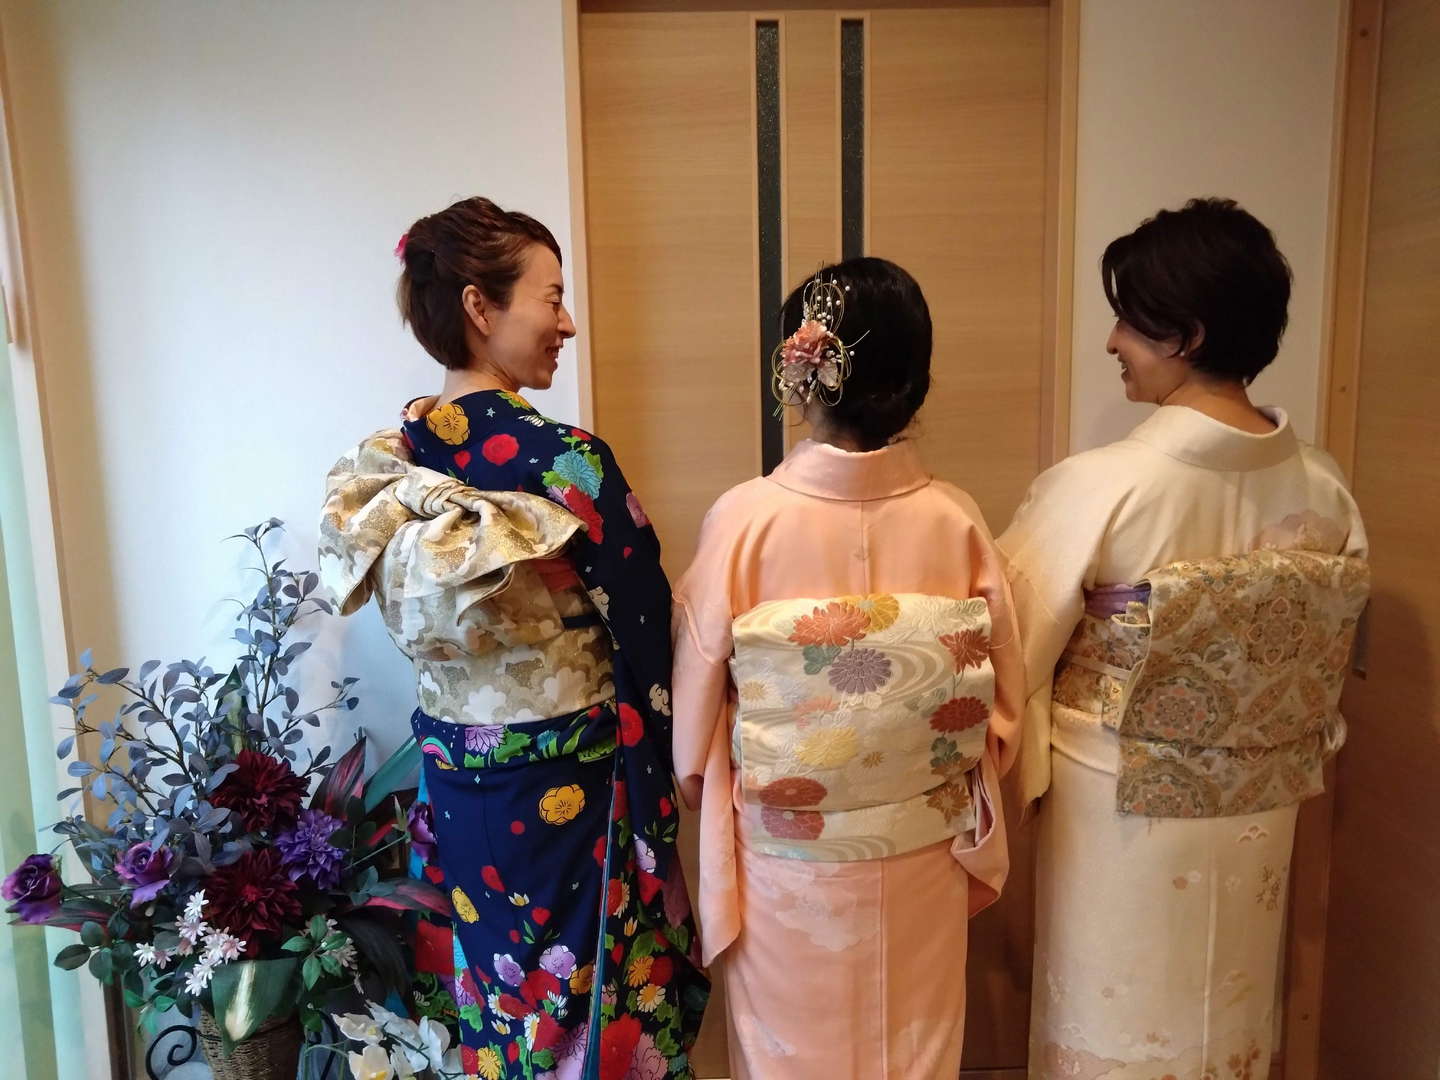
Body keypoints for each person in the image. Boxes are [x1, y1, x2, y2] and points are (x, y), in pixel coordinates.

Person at [319, 197, 708, 1079]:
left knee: (498, 996)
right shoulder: (568, 462)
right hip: (574, 780)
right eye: (553, 298)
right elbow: (644, 630)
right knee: (594, 996)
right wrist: (674, 761)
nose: (566, 324)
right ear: (479, 307)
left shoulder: (392, 463)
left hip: (460, 781)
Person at [1000, 198, 1369, 1078]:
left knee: (1119, 1012)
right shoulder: (1324, 488)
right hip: (1260, 802)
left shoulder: (1103, 486)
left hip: (1119, 799)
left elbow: (1009, 649)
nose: (1113, 341)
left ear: (1187, 335)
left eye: (1130, 319)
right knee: (1226, 1005)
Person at [670, 257, 1023, 1079]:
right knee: (915, 1048)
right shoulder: (957, 521)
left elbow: (694, 739)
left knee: (792, 1054)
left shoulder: (744, 522)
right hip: (925, 852)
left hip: (788, 865)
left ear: (802, 375)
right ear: (915, 380)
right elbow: (1001, 713)